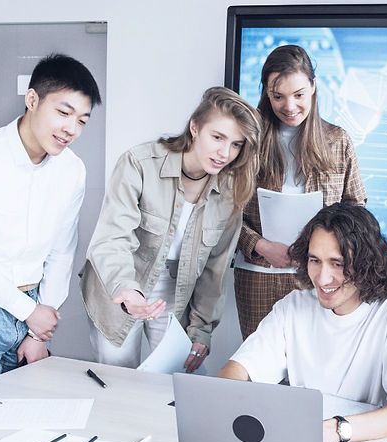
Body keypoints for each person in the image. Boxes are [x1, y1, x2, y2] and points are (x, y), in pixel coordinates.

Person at [0, 54, 101, 394]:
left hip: (34, 309)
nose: (72, 129)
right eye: (63, 112)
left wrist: (37, 329)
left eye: (82, 121)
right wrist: (30, 313)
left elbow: (61, 253)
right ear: (32, 100)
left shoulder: (72, 170)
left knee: (23, 422)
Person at [220, 203, 387, 442]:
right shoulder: (294, 306)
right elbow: (235, 371)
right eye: (315, 260)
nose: (322, 278)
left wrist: (334, 430)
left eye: (337, 264)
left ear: (366, 262)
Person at [81, 87, 260, 371]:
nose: (225, 153)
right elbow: (112, 239)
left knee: (179, 379)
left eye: (236, 144)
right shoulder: (138, 164)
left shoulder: (231, 191)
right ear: (195, 127)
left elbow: (216, 271)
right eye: (218, 137)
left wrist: (201, 330)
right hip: (121, 284)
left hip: (176, 292)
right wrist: (128, 291)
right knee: (117, 377)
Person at [234, 44, 366, 339]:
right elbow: (223, 210)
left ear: (313, 88)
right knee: (261, 372)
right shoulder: (246, 140)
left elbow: (356, 209)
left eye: (299, 95)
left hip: (320, 279)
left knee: (314, 370)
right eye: (277, 96)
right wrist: (260, 245)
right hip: (258, 276)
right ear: (266, 92)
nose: (289, 106)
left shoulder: (337, 140)